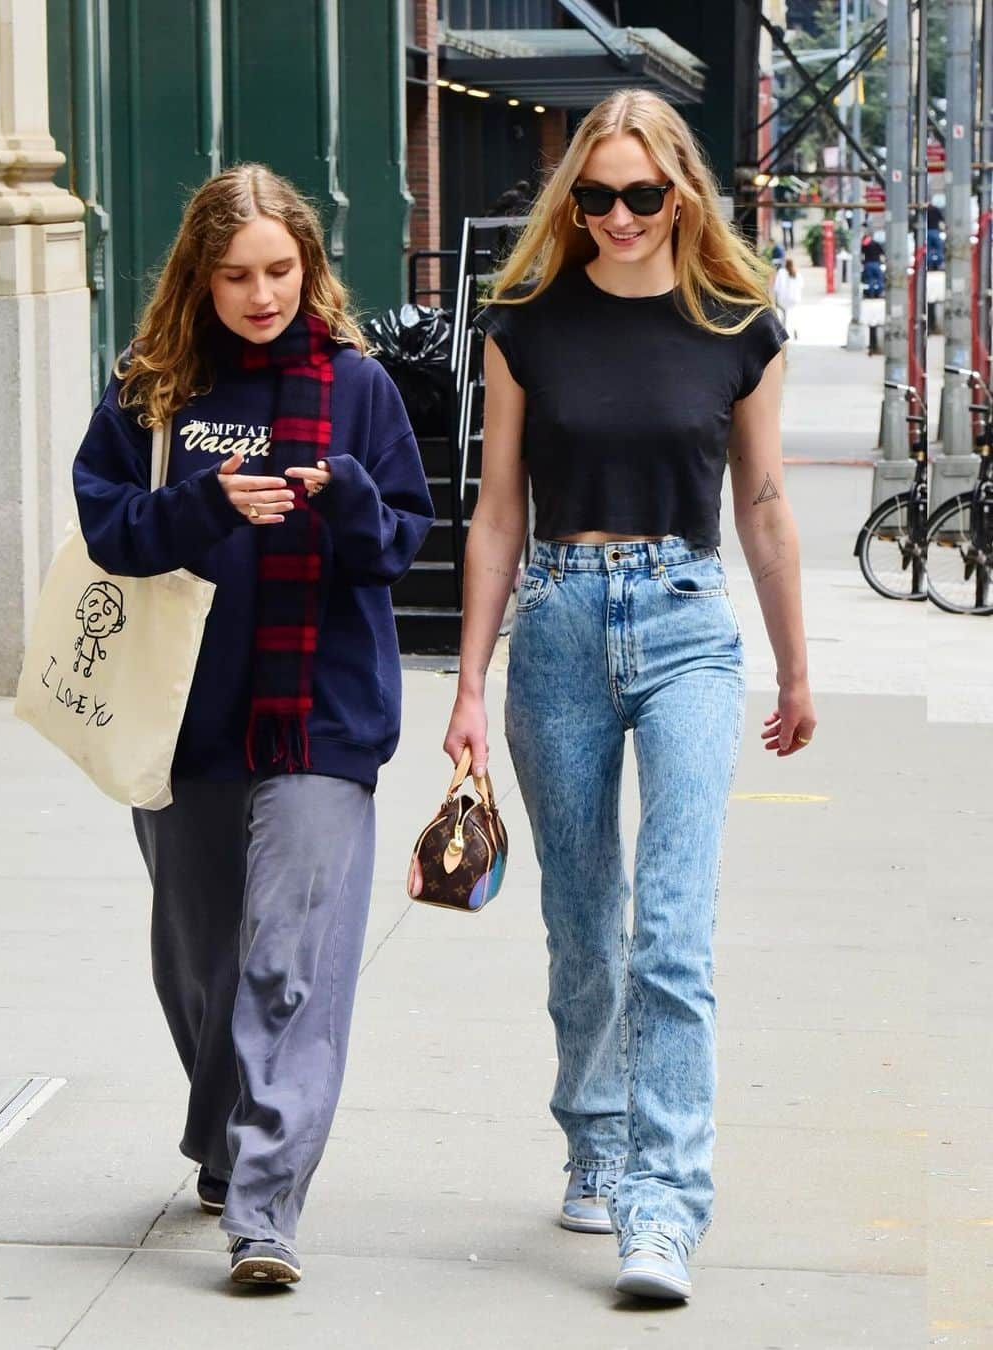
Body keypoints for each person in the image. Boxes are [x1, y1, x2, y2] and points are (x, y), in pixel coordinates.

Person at [443, 88, 816, 1303]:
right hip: (555, 620)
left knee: (672, 932)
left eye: (640, 195)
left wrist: (795, 664)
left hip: (687, 627)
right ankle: (594, 1139)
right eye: (594, 196)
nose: (616, 217)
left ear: (680, 193)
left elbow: (762, 504)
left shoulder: (736, 323)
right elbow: (496, 511)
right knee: (582, 927)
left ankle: (662, 1208)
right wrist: (467, 680)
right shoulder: (525, 325)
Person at [72, 164, 433, 1287]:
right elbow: (106, 526)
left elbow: (401, 546)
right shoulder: (154, 390)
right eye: (236, 275)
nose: (261, 293)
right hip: (182, 720)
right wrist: (202, 503)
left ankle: (264, 1214)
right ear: (200, 276)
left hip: (320, 720)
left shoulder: (359, 388)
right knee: (201, 967)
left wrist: (348, 502)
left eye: (279, 270)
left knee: (291, 965)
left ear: (308, 268)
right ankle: (227, 1140)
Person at [772, 256, 803, 339]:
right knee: (791, 313)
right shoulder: (797, 274)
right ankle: (794, 329)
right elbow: (801, 286)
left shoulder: (781, 272)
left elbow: (776, 288)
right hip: (794, 299)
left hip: (783, 299)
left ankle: (784, 330)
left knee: (783, 313)